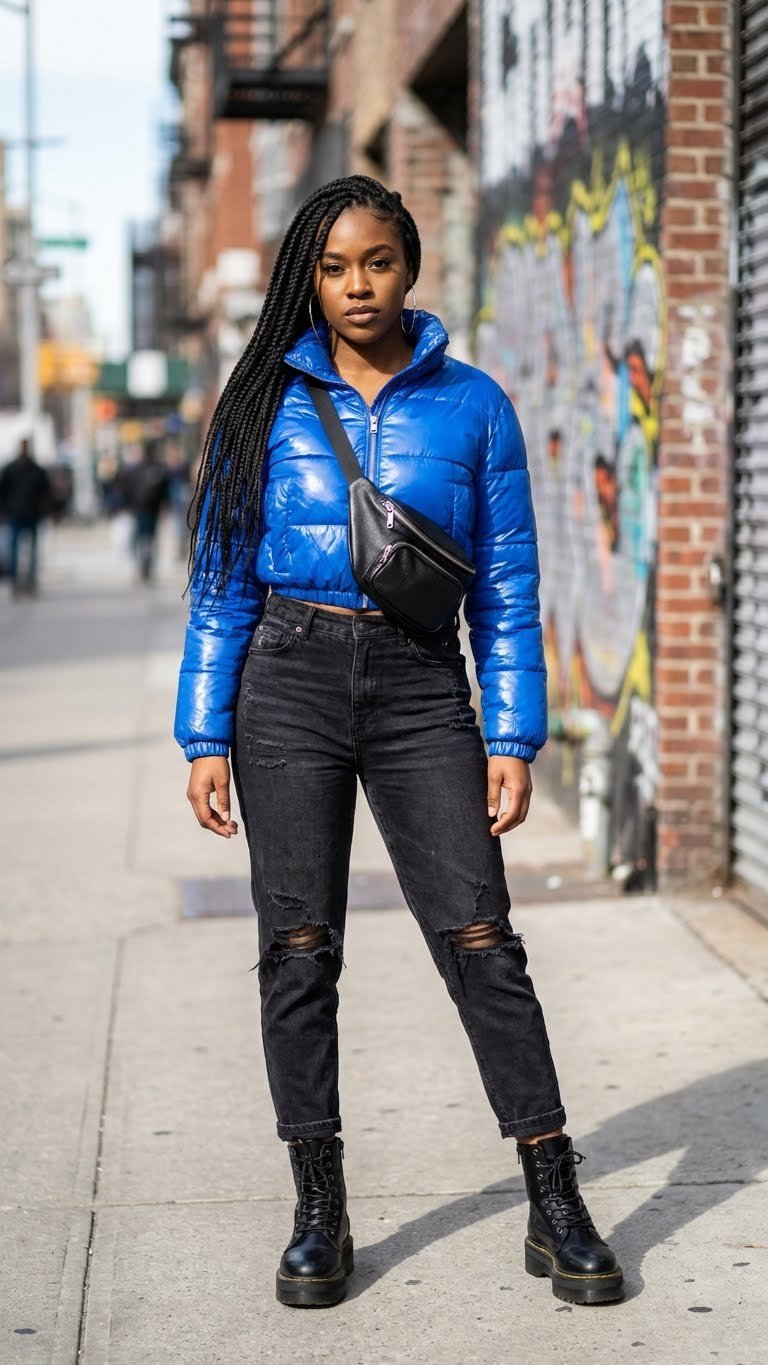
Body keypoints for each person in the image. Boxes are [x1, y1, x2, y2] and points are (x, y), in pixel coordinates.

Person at [174, 177, 623, 1309]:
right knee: (299, 951)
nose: (356, 285)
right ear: (307, 280)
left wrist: (513, 730)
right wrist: (202, 731)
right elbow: (222, 578)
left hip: (425, 688)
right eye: (333, 267)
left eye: (376, 261)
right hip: (287, 681)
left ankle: (554, 1198)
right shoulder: (261, 402)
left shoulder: (473, 405)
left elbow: (510, 583)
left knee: (483, 942)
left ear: (409, 266)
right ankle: (318, 1207)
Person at [0, 437, 51, 597]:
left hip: (31, 514)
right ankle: (18, 582)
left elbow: (45, 493)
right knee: (17, 550)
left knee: (31, 551)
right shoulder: (13, 469)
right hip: (18, 513)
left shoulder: (35, 470)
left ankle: (30, 582)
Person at [122, 443, 169, 582]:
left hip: (139, 509)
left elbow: (127, 488)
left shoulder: (135, 469)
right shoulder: (158, 468)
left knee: (140, 538)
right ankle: (148, 567)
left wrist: (129, 505)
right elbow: (164, 491)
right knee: (151, 539)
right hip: (152, 509)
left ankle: (141, 566)